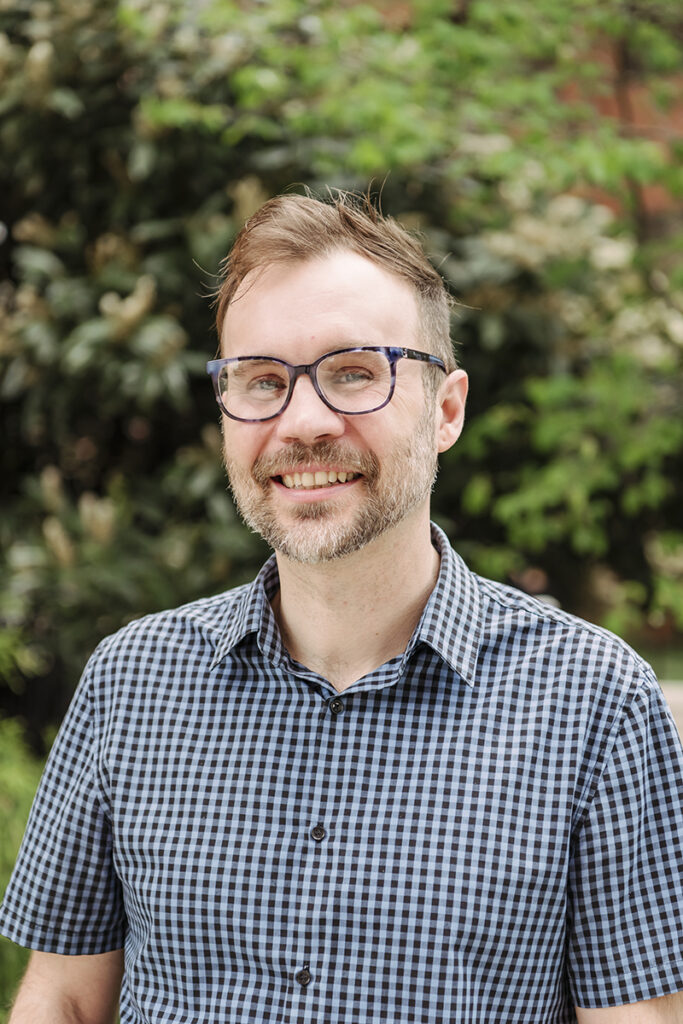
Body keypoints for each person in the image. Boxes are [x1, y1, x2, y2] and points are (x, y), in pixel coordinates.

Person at [2, 191, 683, 1024]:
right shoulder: (130, 682)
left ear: (446, 409)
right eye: (260, 381)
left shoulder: (595, 702)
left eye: (354, 373)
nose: (302, 421)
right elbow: (65, 999)